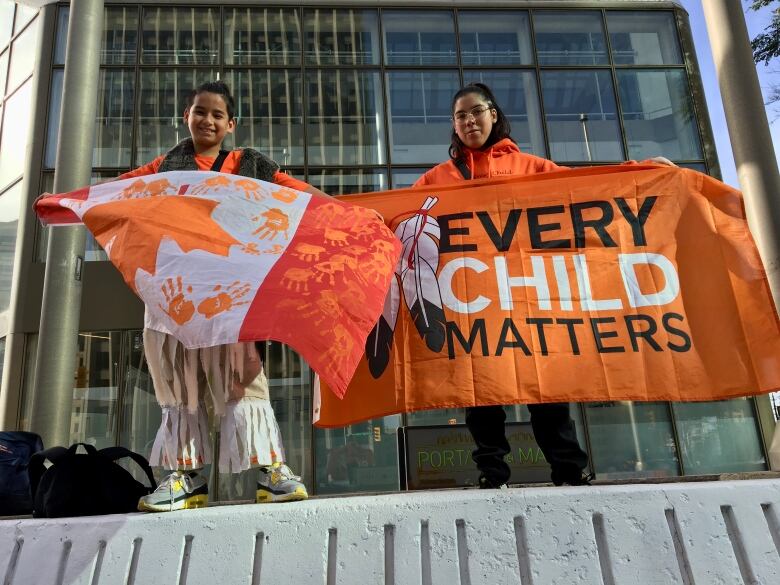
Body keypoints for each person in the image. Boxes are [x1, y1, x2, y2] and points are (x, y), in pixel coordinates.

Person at [117, 80, 326, 511]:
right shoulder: (164, 167)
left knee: (243, 378)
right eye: (199, 111)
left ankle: (272, 472)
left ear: (231, 124)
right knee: (181, 386)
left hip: (230, 297)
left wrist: (348, 210)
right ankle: (185, 480)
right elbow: (116, 193)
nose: (207, 120)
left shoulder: (252, 165)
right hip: (174, 296)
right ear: (186, 117)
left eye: (217, 115)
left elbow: (298, 194)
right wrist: (65, 201)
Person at [414, 82, 594, 489]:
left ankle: (568, 469)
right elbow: (403, 218)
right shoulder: (436, 180)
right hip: (473, 302)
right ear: (453, 126)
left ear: (493, 114)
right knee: (481, 393)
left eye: (476, 111)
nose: (469, 120)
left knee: (545, 387)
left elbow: (586, 187)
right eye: (460, 115)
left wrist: (645, 172)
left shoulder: (531, 168)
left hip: (527, 296)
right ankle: (491, 473)